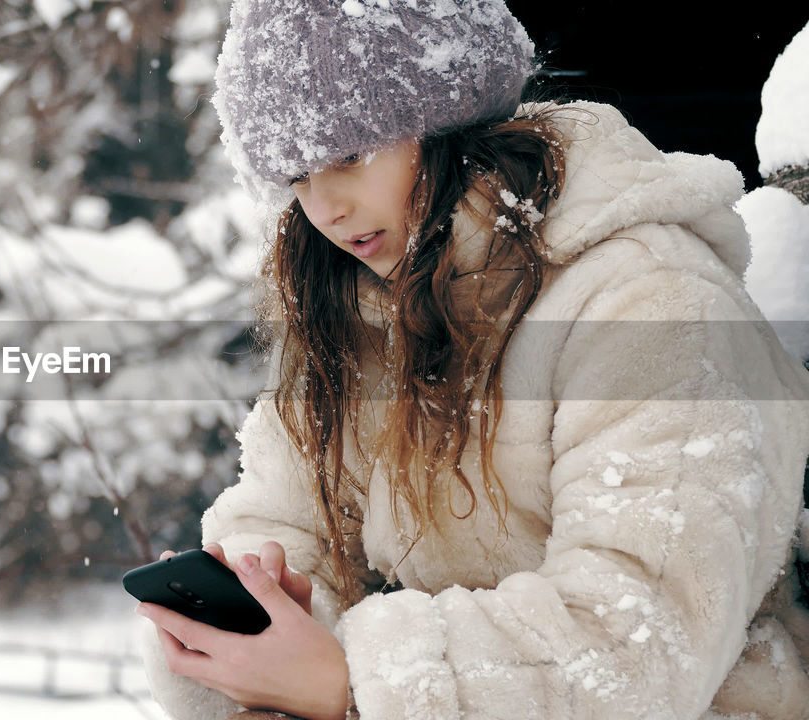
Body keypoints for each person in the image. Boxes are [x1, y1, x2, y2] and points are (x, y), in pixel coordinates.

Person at [132, 1, 809, 719]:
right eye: (296, 175)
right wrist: (262, 615)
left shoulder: (650, 298)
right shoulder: (358, 310)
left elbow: (639, 642)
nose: (324, 207)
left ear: (450, 125)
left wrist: (351, 680)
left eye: (347, 157)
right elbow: (278, 523)